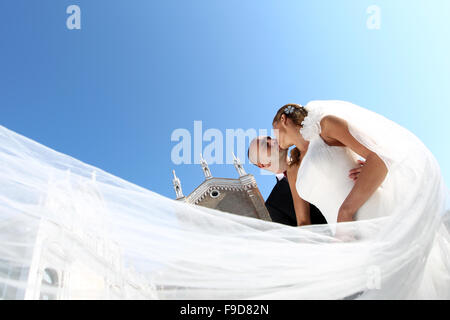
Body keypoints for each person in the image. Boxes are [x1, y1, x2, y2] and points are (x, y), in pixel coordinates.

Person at [247, 136, 365, 226]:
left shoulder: (311, 151)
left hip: (365, 212)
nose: (273, 141)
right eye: (266, 145)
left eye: (269, 138)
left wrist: (364, 170)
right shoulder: (274, 206)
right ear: (262, 164)